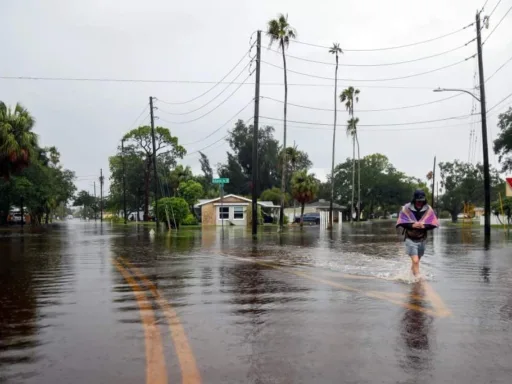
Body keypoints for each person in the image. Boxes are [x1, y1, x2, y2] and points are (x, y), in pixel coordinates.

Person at [396, 190, 439, 277]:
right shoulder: (406, 208)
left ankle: (411, 278)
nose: (420, 203)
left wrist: (424, 226)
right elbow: (401, 222)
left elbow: (434, 223)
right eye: (418, 201)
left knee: (416, 261)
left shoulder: (428, 209)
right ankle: (419, 281)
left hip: (422, 239)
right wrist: (412, 225)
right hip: (410, 239)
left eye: (422, 201)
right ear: (414, 200)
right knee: (415, 261)